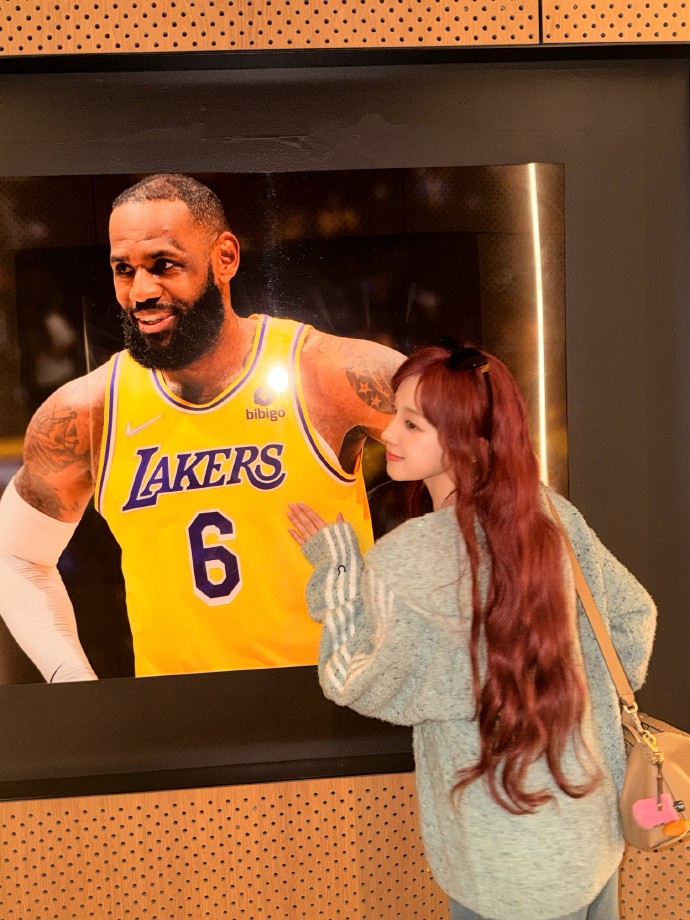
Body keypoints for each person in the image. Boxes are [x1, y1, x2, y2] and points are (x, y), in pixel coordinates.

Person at [287, 340, 657, 920]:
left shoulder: (411, 559)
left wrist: (337, 568)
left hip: (500, 865)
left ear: (464, 438)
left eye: (413, 423)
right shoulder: (550, 514)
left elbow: (348, 675)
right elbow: (633, 618)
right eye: (395, 414)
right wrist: (574, 706)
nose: (389, 433)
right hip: (589, 836)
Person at [0, 173, 404, 681]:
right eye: (124, 270)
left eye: (164, 265)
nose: (141, 291)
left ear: (225, 258)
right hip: (176, 720)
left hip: (333, 707)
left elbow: (485, 476)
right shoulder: (88, 411)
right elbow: (15, 556)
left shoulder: (326, 374)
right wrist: (72, 682)